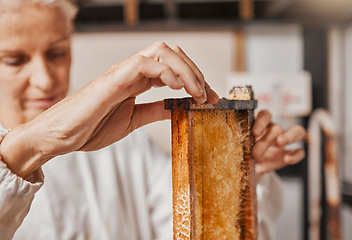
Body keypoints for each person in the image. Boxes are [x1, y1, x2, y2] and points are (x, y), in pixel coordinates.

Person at [0, 0, 306, 239]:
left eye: (57, 54)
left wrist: (233, 175)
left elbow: (199, 229)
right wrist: (29, 148)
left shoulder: (126, 147)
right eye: (15, 60)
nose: (44, 80)